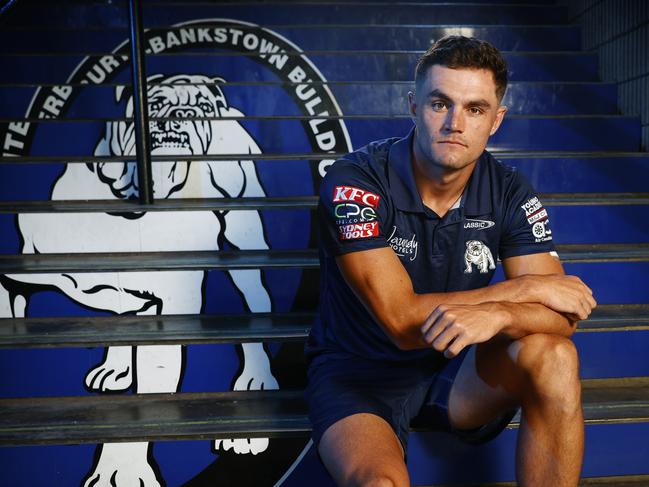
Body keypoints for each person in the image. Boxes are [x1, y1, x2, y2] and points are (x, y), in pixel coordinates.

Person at [305, 35, 596, 487]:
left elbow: (562, 318)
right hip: (358, 373)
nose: (455, 123)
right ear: (413, 105)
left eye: (475, 109)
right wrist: (517, 291)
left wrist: (499, 316)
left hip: (456, 370)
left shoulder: (509, 190)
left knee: (556, 355)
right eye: (440, 104)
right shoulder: (354, 181)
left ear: (495, 120)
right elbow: (402, 323)